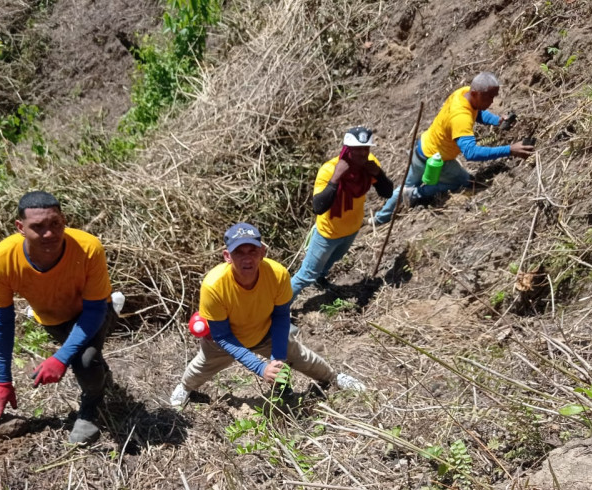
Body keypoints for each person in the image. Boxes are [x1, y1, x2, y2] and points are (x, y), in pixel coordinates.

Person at [170, 222, 366, 407]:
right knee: (201, 367)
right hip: (225, 339)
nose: (247, 258)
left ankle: (334, 377)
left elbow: (281, 316)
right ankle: (185, 388)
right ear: (227, 256)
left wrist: (278, 358)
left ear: (262, 252)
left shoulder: (277, 274)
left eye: (252, 250)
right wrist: (260, 368)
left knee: (302, 357)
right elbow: (221, 335)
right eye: (238, 252)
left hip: (265, 332)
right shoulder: (214, 285)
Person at [0, 191, 115, 444]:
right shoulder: (0, 260)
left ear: (64, 219)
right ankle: (98, 370)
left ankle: (89, 410)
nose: (49, 234)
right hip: (53, 319)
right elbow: (1, 321)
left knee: (85, 362)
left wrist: (61, 358)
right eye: (37, 227)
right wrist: (2, 382)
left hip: (92, 311)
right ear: (20, 227)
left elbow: (95, 310)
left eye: (55, 224)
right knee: (85, 357)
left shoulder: (88, 247)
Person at [371, 72, 535, 225]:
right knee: (466, 182)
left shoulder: (464, 93)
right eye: (490, 97)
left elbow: (476, 112)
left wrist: (496, 120)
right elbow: (471, 153)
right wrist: (509, 149)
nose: (492, 102)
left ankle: (378, 219)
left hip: (422, 148)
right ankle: (416, 195)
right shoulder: (460, 117)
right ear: (477, 93)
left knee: (404, 187)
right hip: (437, 161)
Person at [291, 126, 393, 297]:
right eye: (357, 150)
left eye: (365, 149)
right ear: (347, 149)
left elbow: (387, 192)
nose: (362, 154)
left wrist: (379, 173)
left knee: (333, 260)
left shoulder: (369, 165)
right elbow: (319, 207)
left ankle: (321, 279)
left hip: (352, 229)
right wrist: (336, 178)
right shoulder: (329, 170)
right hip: (328, 234)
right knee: (306, 275)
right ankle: (279, 310)